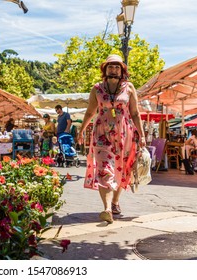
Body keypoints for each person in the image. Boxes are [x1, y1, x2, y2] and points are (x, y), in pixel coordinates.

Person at [77, 54, 146, 224]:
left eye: (117, 67)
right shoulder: (97, 89)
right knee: (104, 169)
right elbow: (90, 112)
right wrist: (81, 131)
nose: (113, 69)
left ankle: (115, 202)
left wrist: (142, 135)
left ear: (122, 70)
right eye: (110, 66)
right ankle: (107, 208)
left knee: (121, 170)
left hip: (124, 134)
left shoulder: (129, 88)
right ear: (105, 69)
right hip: (102, 133)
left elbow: (136, 113)